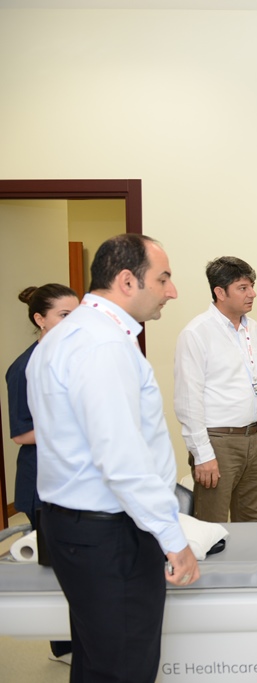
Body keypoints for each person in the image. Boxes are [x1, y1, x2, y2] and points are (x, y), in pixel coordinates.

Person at [27, 233, 200, 683]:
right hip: (110, 536)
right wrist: (173, 538)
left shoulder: (62, 338)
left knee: (96, 662)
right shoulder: (102, 345)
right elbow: (121, 460)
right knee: (123, 669)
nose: (171, 291)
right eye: (163, 279)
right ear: (127, 281)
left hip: (73, 527)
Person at [174, 256, 257, 523]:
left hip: (254, 438)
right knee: (212, 523)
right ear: (220, 292)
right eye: (243, 288)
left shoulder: (252, 328)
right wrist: (202, 455)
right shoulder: (197, 333)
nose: (252, 294)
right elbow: (189, 401)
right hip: (218, 442)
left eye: (252, 286)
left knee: (253, 519)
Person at [4, 283, 78, 665]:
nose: (74, 322)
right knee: (54, 571)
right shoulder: (23, 368)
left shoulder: (72, 358)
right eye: (64, 315)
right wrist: (77, 424)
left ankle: (80, 640)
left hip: (72, 479)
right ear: (40, 319)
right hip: (41, 483)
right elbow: (21, 434)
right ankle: (62, 648)